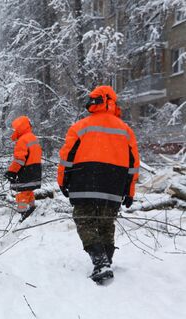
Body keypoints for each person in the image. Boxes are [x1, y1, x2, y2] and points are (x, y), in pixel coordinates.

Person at [57, 85, 140, 283]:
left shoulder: (80, 127)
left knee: (84, 220)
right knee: (106, 223)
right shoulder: (125, 130)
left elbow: (66, 158)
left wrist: (62, 181)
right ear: (112, 102)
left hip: (84, 182)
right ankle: (106, 260)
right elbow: (133, 165)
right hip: (113, 186)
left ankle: (100, 261)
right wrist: (129, 191)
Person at [4, 116, 42, 222]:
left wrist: (12, 171)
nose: (13, 131)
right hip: (35, 170)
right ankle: (32, 209)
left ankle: (23, 214)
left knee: (21, 193)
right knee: (29, 191)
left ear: (20, 127)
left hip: (25, 171)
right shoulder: (33, 138)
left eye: (14, 128)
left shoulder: (22, 140)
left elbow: (19, 159)